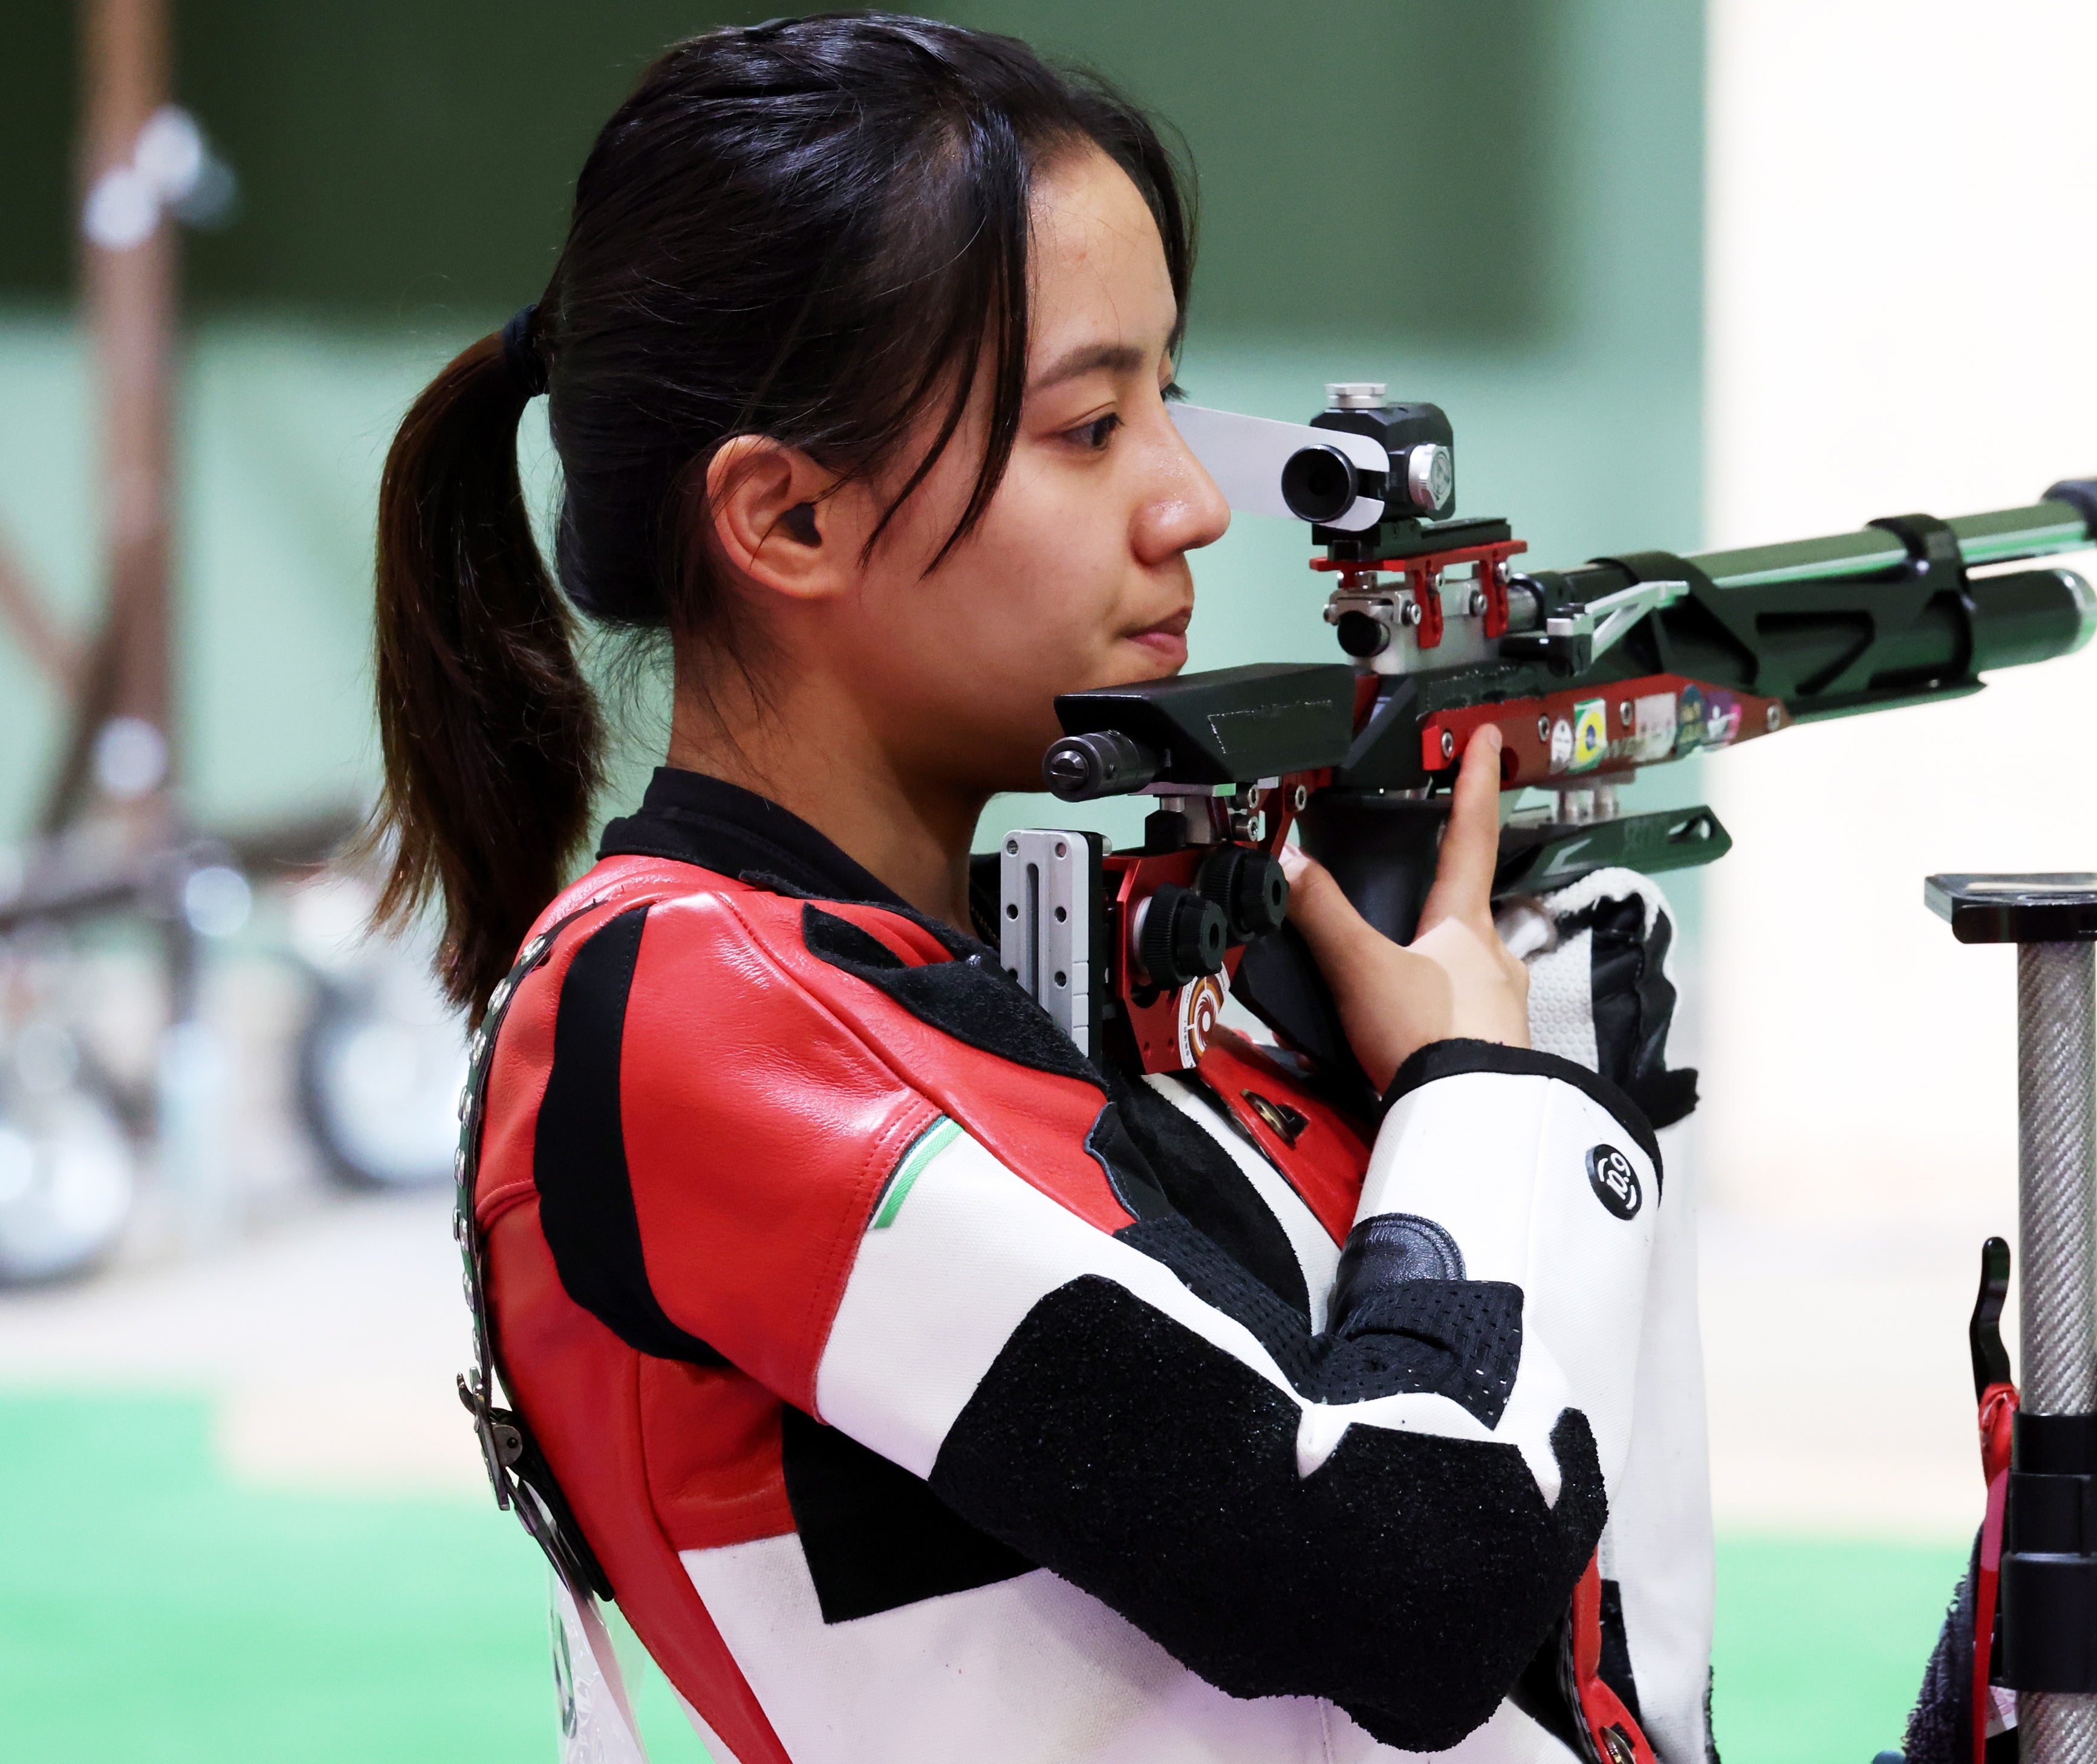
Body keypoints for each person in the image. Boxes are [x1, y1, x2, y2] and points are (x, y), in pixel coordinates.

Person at [373, 16, 1709, 1762]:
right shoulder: (674, 1013)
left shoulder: (972, 978)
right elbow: (1408, 1574)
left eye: (1168, 394)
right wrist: (1490, 1105)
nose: (1189, 502)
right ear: (784, 523)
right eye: (1088, 426)